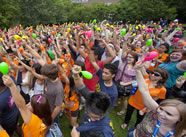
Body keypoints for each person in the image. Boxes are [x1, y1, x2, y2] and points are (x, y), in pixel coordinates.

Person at [126, 62, 186, 137]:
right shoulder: (156, 111)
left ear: (180, 119)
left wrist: (144, 109)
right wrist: (138, 70)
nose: (161, 113)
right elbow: (144, 90)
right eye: (161, 108)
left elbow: (154, 99)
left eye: (169, 114)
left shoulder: (181, 134)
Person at [71, 65, 115, 137]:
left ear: (103, 114)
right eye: (89, 114)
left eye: (95, 117)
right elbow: (81, 87)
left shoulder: (102, 133)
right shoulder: (93, 98)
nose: (92, 119)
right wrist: (76, 74)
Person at [0, 72, 19, 137]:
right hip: (15, 113)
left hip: (6, 123)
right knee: (16, 126)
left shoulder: (1, 100)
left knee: (8, 134)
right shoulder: (11, 80)